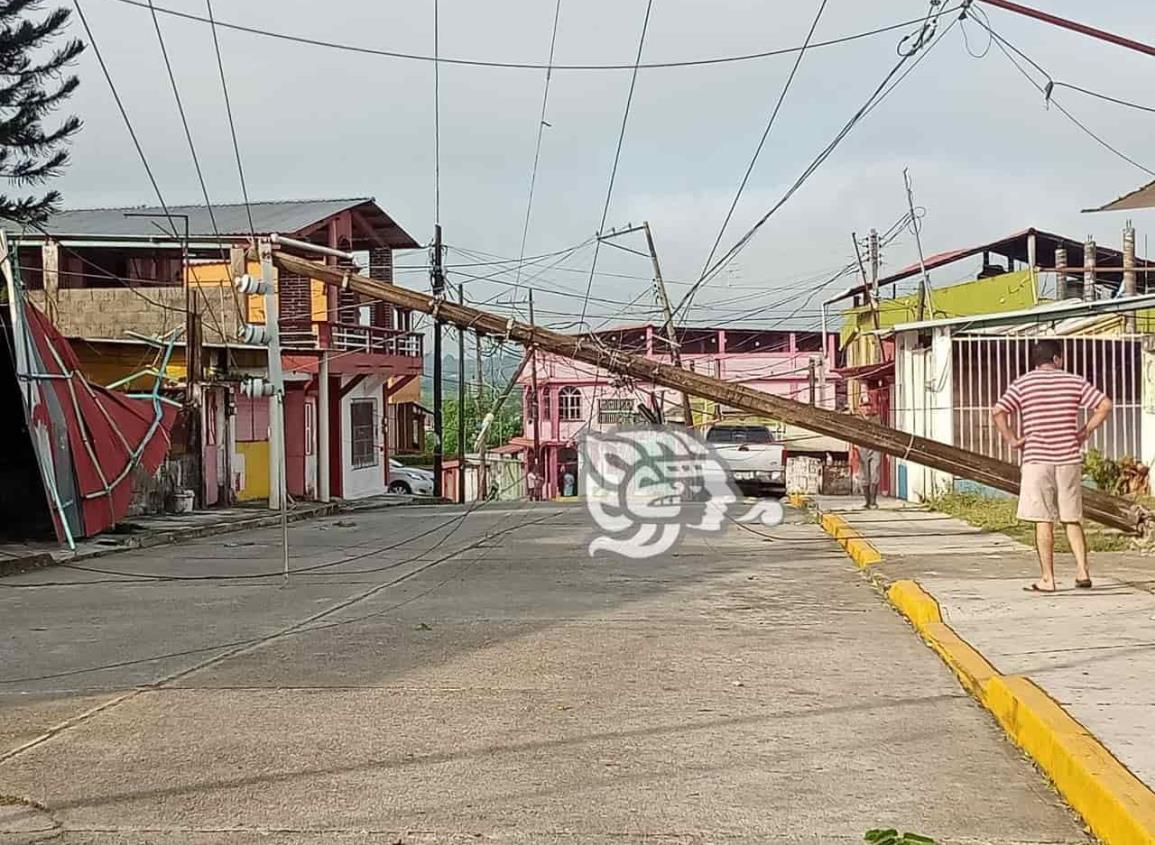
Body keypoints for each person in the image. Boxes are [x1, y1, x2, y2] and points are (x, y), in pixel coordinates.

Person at [992, 338, 1113, 593]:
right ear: (1057, 358)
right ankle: (1082, 571)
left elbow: (998, 411)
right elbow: (1105, 405)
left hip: (1037, 459)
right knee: (1071, 518)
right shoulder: (1073, 381)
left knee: (1043, 520)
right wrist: (1085, 431)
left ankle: (1048, 579)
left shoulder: (1023, 384)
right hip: (1068, 457)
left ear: (1036, 360)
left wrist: (1013, 439)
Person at [854, 400, 882, 509]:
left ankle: (873, 501)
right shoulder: (857, 419)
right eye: (864, 406)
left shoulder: (877, 418)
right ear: (860, 407)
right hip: (861, 447)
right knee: (864, 475)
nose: (867, 408)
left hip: (875, 447)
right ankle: (867, 501)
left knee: (875, 473)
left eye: (869, 405)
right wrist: (854, 449)